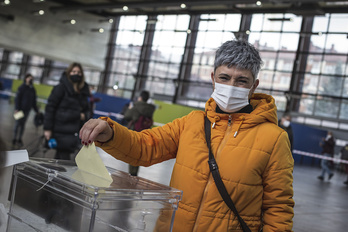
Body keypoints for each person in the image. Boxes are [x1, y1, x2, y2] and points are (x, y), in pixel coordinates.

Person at [79, 40, 294, 231]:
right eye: (225, 78)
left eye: (241, 81)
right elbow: (144, 147)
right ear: (213, 78)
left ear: (254, 86)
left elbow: (279, 209)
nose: (231, 86)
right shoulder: (191, 123)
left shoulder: (274, 139)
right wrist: (110, 133)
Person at [44, 62, 90, 160]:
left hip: (75, 132)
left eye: (78, 72)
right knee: (63, 159)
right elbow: (50, 108)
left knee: (61, 160)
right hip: (61, 130)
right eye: (73, 71)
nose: (76, 74)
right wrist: (47, 129)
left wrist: (85, 116)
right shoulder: (60, 88)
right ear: (69, 73)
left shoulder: (83, 91)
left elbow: (88, 111)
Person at [124, 90, 155, 176]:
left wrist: (130, 109)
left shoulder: (136, 106)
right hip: (144, 134)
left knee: (132, 153)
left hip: (135, 132)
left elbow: (127, 116)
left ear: (140, 97)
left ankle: (132, 173)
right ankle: (135, 173)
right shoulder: (150, 109)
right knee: (139, 153)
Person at [12, 74, 39, 146]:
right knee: (17, 124)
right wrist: (17, 109)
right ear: (26, 78)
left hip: (27, 111)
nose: (30, 80)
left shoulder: (33, 89)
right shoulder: (21, 88)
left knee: (22, 125)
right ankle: (14, 139)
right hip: (19, 110)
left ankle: (19, 139)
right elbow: (17, 99)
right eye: (29, 78)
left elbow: (34, 101)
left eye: (32, 78)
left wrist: (37, 111)